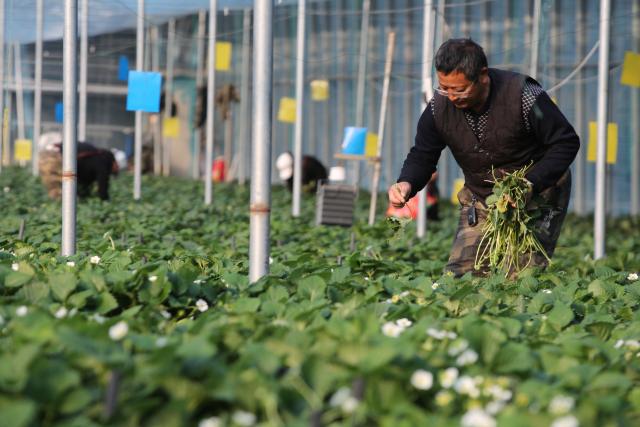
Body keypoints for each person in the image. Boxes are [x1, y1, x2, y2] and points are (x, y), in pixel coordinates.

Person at [389, 39, 579, 277]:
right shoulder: (438, 108)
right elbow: (422, 154)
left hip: (539, 191)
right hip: (483, 196)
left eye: (459, 89)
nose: (451, 96)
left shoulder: (524, 95)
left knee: (520, 276)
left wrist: (530, 183)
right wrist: (407, 182)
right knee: (463, 276)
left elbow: (565, 142)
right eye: (444, 87)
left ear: (483, 76)